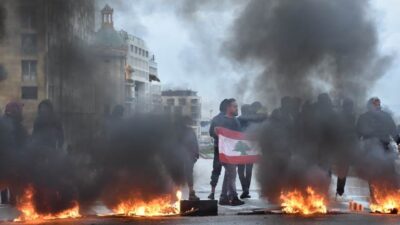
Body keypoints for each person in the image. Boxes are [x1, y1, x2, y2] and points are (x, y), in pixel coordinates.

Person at [212, 98, 244, 206]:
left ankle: (223, 197)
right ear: (228, 107)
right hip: (223, 152)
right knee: (232, 174)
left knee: (229, 174)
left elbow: (239, 136)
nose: (236, 108)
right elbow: (212, 132)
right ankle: (233, 197)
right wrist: (218, 132)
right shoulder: (219, 120)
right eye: (234, 106)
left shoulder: (235, 121)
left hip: (232, 152)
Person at [237, 102, 267, 199]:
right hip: (250, 148)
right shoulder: (252, 120)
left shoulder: (238, 120)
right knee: (248, 170)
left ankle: (245, 189)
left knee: (241, 170)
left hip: (241, 148)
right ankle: (246, 190)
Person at [0, 101, 27, 204]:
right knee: (11, 178)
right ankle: (11, 201)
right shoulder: (11, 124)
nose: (22, 111)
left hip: (10, 157)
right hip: (9, 157)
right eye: (20, 109)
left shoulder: (8, 122)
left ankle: (10, 201)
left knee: (10, 179)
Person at [335, 98, 357, 199]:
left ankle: (340, 190)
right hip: (340, 146)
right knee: (342, 168)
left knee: (343, 169)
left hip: (345, 146)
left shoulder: (351, 117)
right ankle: (339, 190)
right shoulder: (341, 116)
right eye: (349, 106)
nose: (350, 108)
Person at [208, 99, 228, 200]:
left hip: (218, 147)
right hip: (228, 149)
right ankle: (226, 193)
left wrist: (218, 136)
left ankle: (212, 192)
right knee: (230, 170)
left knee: (216, 170)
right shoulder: (230, 119)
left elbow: (211, 132)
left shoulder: (215, 119)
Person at [181, 116, 200, 201]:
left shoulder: (189, 131)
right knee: (188, 174)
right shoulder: (188, 131)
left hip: (187, 156)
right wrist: (195, 154)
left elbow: (194, 144)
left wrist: (195, 155)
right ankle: (191, 193)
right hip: (185, 156)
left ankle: (191, 193)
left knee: (188, 174)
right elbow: (194, 144)